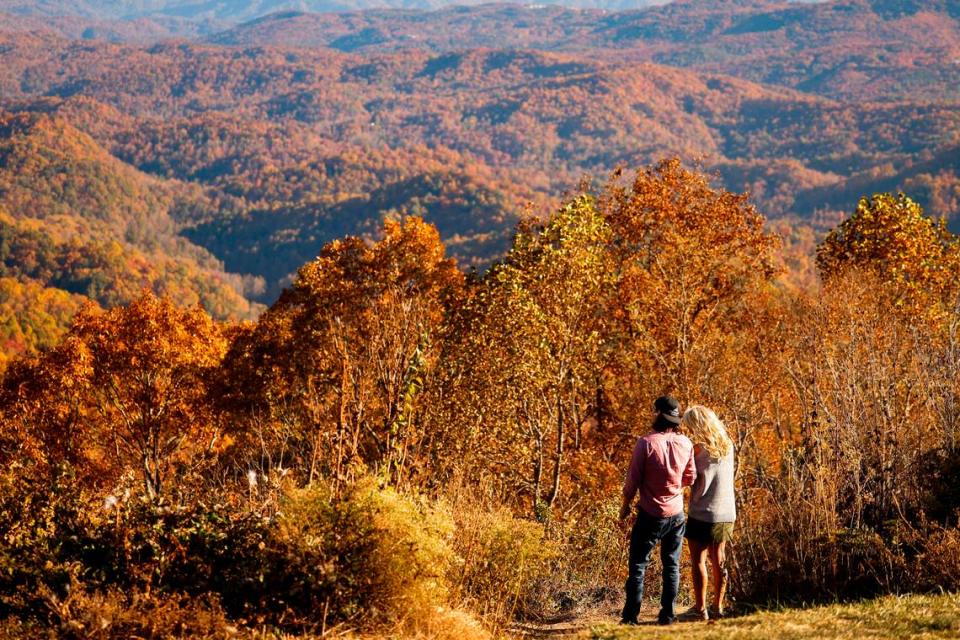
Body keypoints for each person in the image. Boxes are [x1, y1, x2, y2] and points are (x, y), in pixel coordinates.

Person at [619, 395, 697, 626]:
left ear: (657, 415)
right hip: (676, 513)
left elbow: (632, 481)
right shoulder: (686, 443)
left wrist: (624, 507)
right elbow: (690, 477)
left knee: (638, 565)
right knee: (671, 564)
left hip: (650, 513)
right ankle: (667, 615)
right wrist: (673, 488)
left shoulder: (646, 443)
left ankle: (631, 616)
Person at [681, 405, 736, 621]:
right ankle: (718, 606)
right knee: (719, 559)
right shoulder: (727, 446)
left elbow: (688, 478)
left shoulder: (696, 450)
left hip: (702, 511)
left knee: (698, 560)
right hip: (726, 511)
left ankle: (700, 608)